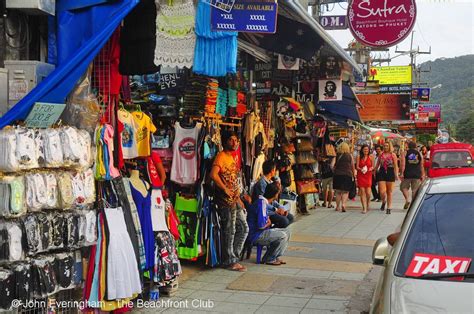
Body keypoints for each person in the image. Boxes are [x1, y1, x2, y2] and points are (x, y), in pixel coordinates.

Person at [210, 131, 248, 272]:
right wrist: (224, 188)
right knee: (229, 230)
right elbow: (213, 175)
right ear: (225, 141)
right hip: (225, 201)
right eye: (231, 140)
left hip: (234, 200)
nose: (234, 142)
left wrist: (239, 198)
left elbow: (233, 180)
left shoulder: (232, 158)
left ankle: (234, 256)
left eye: (236, 140)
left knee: (243, 228)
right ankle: (229, 260)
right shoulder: (221, 157)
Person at [247, 182, 291, 266]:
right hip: (257, 234)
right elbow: (261, 225)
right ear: (275, 195)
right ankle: (269, 258)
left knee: (287, 232)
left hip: (261, 231)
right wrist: (268, 223)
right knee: (282, 235)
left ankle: (275, 256)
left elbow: (271, 210)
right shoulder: (261, 203)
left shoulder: (264, 202)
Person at [252, 160, 294, 228]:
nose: (275, 172)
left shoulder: (271, 181)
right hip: (265, 211)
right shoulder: (261, 184)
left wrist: (280, 207)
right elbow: (262, 202)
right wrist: (276, 210)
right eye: (274, 170)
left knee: (291, 217)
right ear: (272, 171)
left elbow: (272, 199)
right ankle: (271, 231)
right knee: (284, 221)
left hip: (271, 209)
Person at [375, 142, 399, 214]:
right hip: (382, 172)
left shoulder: (393, 155)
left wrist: (396, 174)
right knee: (382, 191)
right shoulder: (381, 154)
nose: (385, 147)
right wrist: (374, 171)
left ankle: (389, 207)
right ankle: (383, 201)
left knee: (389, 192)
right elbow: (377, 164)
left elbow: (395, 165)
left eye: (387, 146)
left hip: (390, 172)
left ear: (389, 147)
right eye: (384, 146)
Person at [399, 141, 425, 209]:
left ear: (408, 146)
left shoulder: (405, 153)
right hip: (417, 174)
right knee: (415, 190)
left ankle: (407, 199)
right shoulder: (419, 153)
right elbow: (421, 165)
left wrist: (401, 173)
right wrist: (423, 174)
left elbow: (403, 164)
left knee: (403, 187)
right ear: (415, 146)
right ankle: (414, 205)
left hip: (407, 173)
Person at [333, 142, 356, 212]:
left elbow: (332, 165)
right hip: (347, 175)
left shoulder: (336, 155)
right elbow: (352, 166)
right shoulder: (350, 156)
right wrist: (353, 174)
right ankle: (343, 204)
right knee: (345, 191)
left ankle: (337, 207)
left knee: (338, 192)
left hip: (338, 175)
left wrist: (335, 169)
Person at [356, 144, 375, 214]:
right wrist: (361, 169)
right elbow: (357, 166)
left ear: (369, 150)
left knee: (368, 193)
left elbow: (373, 166)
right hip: (361, 175)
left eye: (367, 149)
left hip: (368, 175)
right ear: (362, 150)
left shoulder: (371, 156)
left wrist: (371, 168)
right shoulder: (358, 157)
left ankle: (368, 203)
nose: (366, 151)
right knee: (362, 192)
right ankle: (364, 207)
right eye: (364, 149)